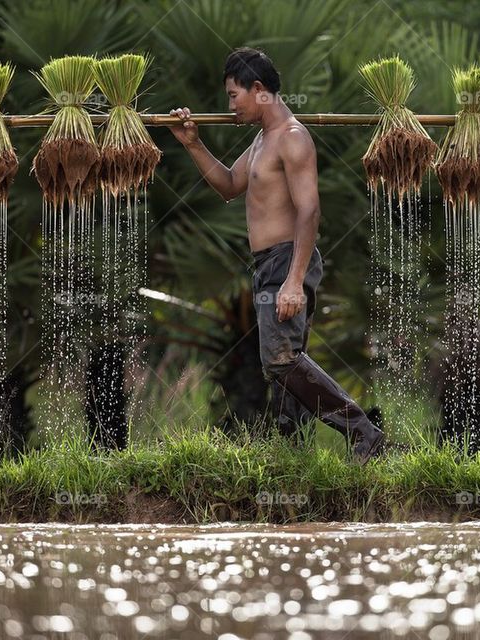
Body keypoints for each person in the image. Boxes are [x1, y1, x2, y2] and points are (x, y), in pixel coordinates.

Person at [168, 47, 384, 464]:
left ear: (259, 90)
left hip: (288, 261)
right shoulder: (261, 140)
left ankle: (363, 431)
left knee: (282, 361)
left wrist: (293, 280)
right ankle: (292, 458)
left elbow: (309, 211)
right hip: (268, 263)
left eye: (234, 95)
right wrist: (193, 145)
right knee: (286, 369)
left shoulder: (292, 137)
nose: (230, 106)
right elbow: (230, 186)